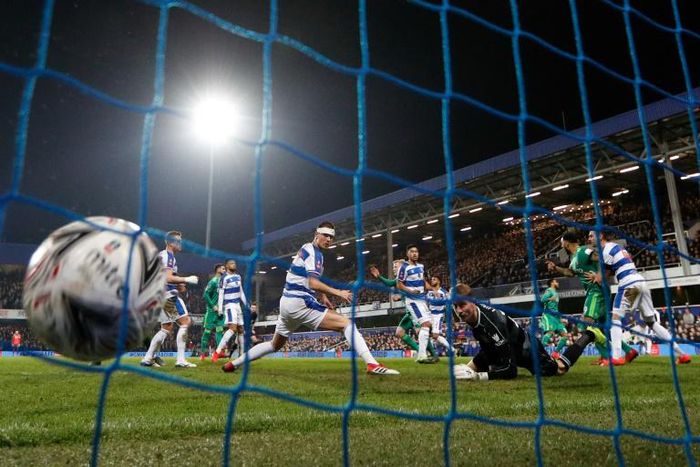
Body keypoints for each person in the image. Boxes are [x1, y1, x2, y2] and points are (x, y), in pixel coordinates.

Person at [222, 221, 399, 375]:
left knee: (274, 345)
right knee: (347, 323)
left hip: (287, 303)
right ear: (317, 234)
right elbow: (313, 283)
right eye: (325, 235)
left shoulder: (309, 250)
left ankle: (233, 363)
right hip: (300, 303)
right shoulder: (313, 251)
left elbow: (308, 279)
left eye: (331, 237)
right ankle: (372, 364)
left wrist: (322, 296)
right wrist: (338, 293)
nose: (329, 239)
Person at [450, 283, 592, 380]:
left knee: (560, 368)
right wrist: (467, 368)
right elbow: (488, 352)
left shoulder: (492, 323)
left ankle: (588, 335)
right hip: (504, 347)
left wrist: (478, 376)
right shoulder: (475, 318)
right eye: (455, 306)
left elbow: (511, 371)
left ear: (473, 302)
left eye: (462, 305)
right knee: (461, 374)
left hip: (527, 351)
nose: (459, 311)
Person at [592, 230, 690, 365]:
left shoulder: (606, 250)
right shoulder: (617, 247)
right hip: (640, 281)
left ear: (600, 236)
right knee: (652, 322)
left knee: (615, 318)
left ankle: (616, 357)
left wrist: (595, 277)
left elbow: (603, 276)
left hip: (628, 284)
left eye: (591, 236)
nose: (589, 239)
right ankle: (683, 354)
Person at [546, 229, 636, 366]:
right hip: (598, 291)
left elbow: (600, 257)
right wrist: (555, 268)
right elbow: (569, 272)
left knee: (587, 324)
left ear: (566, 242)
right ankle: (628, 351)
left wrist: (599, 275)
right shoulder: (574, 258)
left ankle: (606, 357)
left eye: (561, 242)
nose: (561, 245)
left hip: (596, 291)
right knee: (603, 327)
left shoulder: (584, 251)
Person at [141, 231, 199, 368]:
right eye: (178, 241)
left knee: (166, 328)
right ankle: (180, 360)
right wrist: (186, 279)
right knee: (185, 322)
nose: (180, 243)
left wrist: (178, 284)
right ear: (170, 243)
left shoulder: (163, 256)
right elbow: (167, 277)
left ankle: (147, 358)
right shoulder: (168, 256)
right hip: (168, 296)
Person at [369, 262, 438, 361]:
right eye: (393, 266)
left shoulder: (407, 277)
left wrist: (379, 276)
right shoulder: (402, 280)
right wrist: (400, 297)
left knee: (420, 331)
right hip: (410, 311)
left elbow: (391, 283)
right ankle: (422, 352)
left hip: (416, 309)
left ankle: (432, 354)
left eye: (395, 266)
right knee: (399, 332)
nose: (393, 269)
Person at [396, 245, 433, 363]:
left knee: (427, 325)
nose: (415, 253)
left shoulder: (421, 266)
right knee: (425, 324)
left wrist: (433, 290)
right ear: (407, 254)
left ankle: (423, 355)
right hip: (412, 300)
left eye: (416, 251)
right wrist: (411, 291)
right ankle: (422, 356)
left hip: (422, 299)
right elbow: (399, 284)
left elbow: (423, 281)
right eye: (412, 251)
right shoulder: (404, 268)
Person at [212, 259, 247, 362]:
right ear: (227, 266)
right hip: (229, 305)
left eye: (235, 263)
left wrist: (246, 304)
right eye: (231, 263)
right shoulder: (224, 278)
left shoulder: (238, 276)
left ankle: (241, 356)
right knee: (233, 328)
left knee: (241, 330)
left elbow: (241, 292)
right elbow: (221, 294)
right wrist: (220, 309)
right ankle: (217, 352)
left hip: (237, 305)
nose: (234, 265)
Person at [200, 263, 225, 361]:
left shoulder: (223, 282)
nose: (224, 270)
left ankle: (218, 353)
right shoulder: (213, 281)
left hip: (220, 312)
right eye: (222, 268)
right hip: (211, 312)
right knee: (207, 332)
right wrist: (213, 306)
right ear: (218, 269)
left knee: (220, 332)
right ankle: (202, 355)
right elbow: (205, 295)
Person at [539, 279, 569, 359]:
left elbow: (555, 307)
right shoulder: (549, 290)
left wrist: (560, 319)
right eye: (556, 281)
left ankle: (555, 353)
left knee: (565, 335)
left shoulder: (556, 293)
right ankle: (538, 352)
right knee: (550, 332)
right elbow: (542, 300)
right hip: (548, 315)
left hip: (556, 317)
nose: (558, 283)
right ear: (552, 283)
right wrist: (550, 299)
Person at [426, 275, 456, 355]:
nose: (432, 281)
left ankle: (451, 349)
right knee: (425, 332)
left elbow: (449, 306)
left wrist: (451, 319)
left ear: (439, 281)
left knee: (435, 335)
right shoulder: (429, 292)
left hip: (438, 315)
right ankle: (429, 353)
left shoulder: (444, 293)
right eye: (432, 279)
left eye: (434, 279)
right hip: (429, 314)